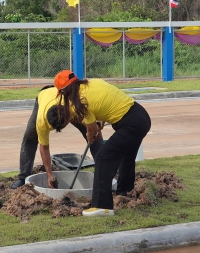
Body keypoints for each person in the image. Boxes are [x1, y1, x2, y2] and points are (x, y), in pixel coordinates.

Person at [54, 70, 151, 217]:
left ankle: (102, 206)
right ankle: (124, 191)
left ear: (64, 90)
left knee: (102, 157)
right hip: (139, 115)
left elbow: (91, 129)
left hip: (131, 124)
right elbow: (106, 102)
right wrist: (100, 123)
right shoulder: (92, 83)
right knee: (126, 155)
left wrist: (90, 135)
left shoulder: (81, 101)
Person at [10, 85, 104, 189]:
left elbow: (88, 119)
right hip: (44, 97)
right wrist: (49, 175)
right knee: (30, 136)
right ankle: (23, 178)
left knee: (95, 136)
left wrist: (93, 130)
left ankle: (105, 173)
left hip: (64, 98)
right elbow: (44, 148)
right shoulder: (42, 122)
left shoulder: (72, 106)